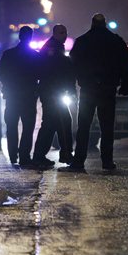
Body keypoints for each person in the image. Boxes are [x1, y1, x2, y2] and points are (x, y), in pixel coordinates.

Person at [68, 13, 128, 171]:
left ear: (92, 24)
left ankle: (79, 161)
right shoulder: (116, 41)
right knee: (107, 127)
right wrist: (124, 86)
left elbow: (73, 63)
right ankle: (107, 161)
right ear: (105, 23)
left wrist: (77, 81)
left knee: (83, 126)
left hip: (88, 89)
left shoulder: (82, 41)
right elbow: (126, 64)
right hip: (108, 89)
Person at [32, 24, 76, 167]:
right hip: (53, 92)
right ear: (56, 33)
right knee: (63, 122)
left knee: (51, 124)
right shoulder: (53, 49)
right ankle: (65, 154)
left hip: (51, 91)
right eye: (62, 32)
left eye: (65, 32)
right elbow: (60, 71)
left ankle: (40, 155)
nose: (64, 35)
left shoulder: (53, 47)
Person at [0, 26, 40, 166]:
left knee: (12, 126)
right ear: (30, 37)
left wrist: (8, 86)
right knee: (28, 127)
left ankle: (13, 155)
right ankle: (24, 156)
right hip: (28, 96)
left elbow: (1, 73)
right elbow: (41, 74)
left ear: (19, 36)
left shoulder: (8, 54)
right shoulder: (34, 55)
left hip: (12, 95)